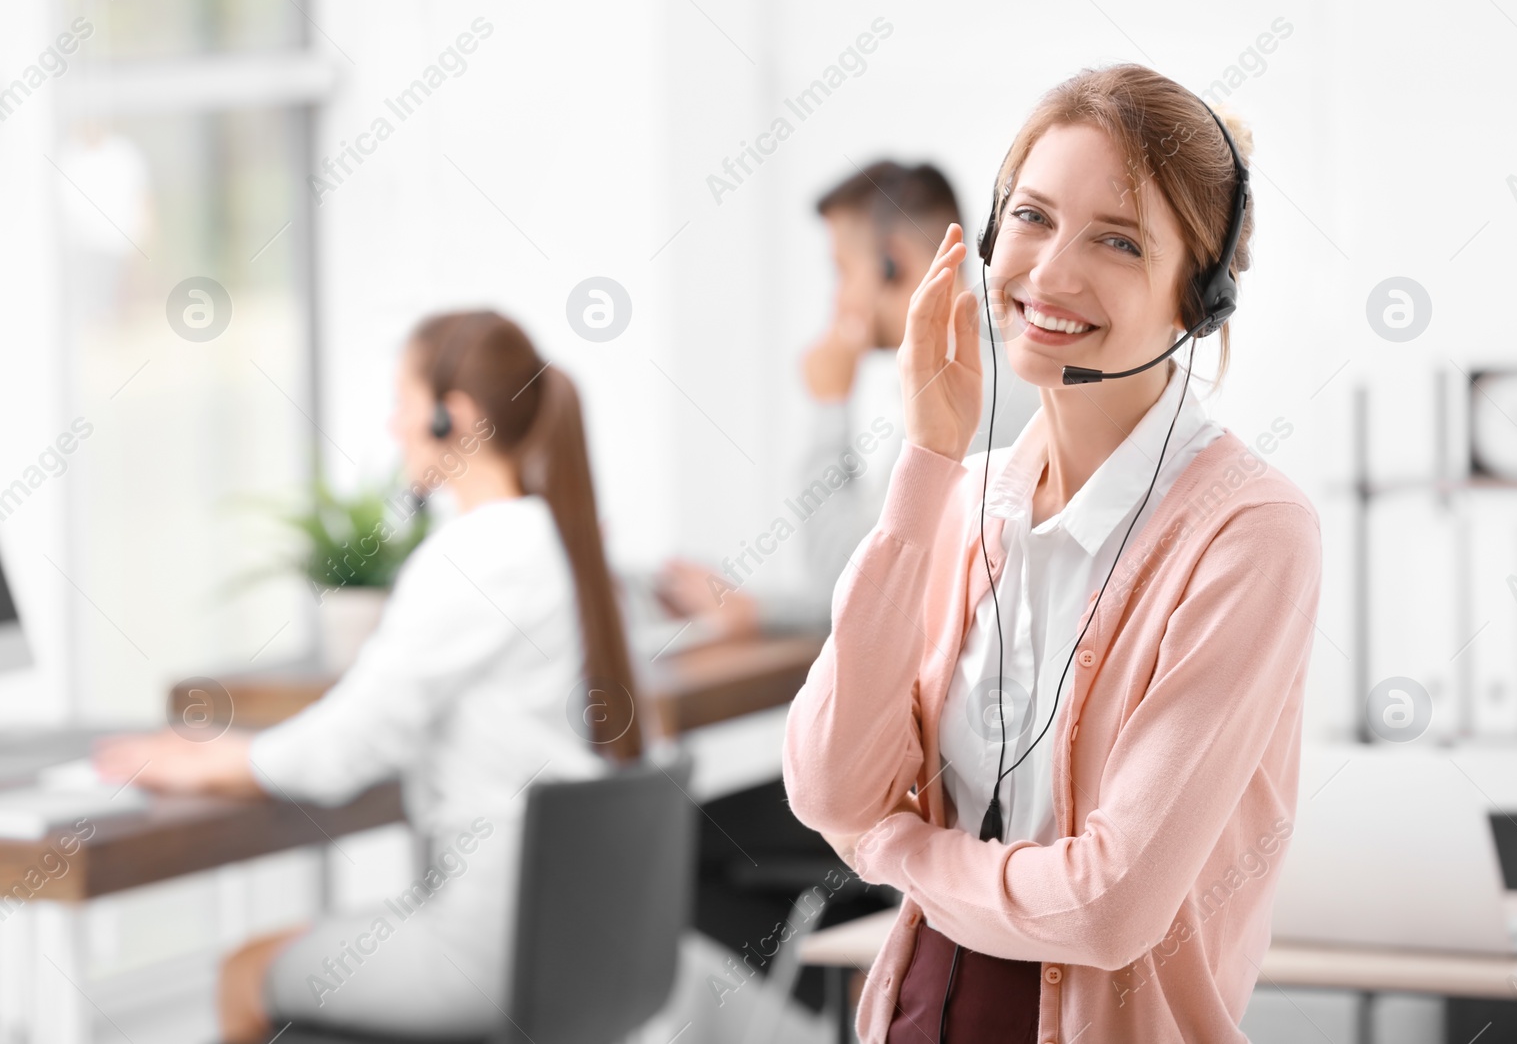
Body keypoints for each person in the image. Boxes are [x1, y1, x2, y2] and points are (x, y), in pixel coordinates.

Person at [782, 64, 1322, 1043]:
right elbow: (825, 781)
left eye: (1117, 240)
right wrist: (926, 459)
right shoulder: (962, 494)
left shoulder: (1249, 532)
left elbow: (1109, 905)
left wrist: (895, 849)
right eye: (1030, 217)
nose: (1050, 271)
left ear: (1195, 299)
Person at [93, 311, 642, 1042]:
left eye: (404, 404)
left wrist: (212, 764)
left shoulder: (474, 556)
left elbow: (352, 742)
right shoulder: (558, 541)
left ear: (457, 418)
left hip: (485, 950)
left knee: (243, 971)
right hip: (572, 935)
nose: (393, 427)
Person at [655, 160, 1038, 642]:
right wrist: (758, 610)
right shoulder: (986, 353)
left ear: (891, 265)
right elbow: (876, 567)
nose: (837, 301)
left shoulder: (969, 385)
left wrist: (828, 405)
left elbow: (851, 584)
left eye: (841, 270)